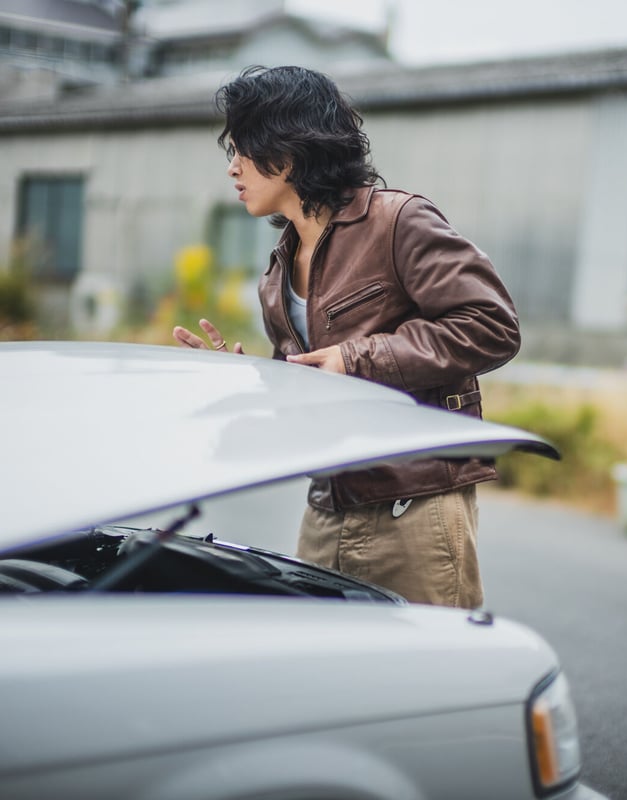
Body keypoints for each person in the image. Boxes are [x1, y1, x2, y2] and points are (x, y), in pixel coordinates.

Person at [173, 65, 520, 609]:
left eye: (241, 150)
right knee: (328, 682)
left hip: (415, 506)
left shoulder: (398, 221)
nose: (232, 169)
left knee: (427, 678)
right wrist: (247, 380)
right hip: (324, 511)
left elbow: (491, 325)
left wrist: (355, 359)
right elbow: (309, 395)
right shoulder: (275, 273)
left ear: (285, 152)